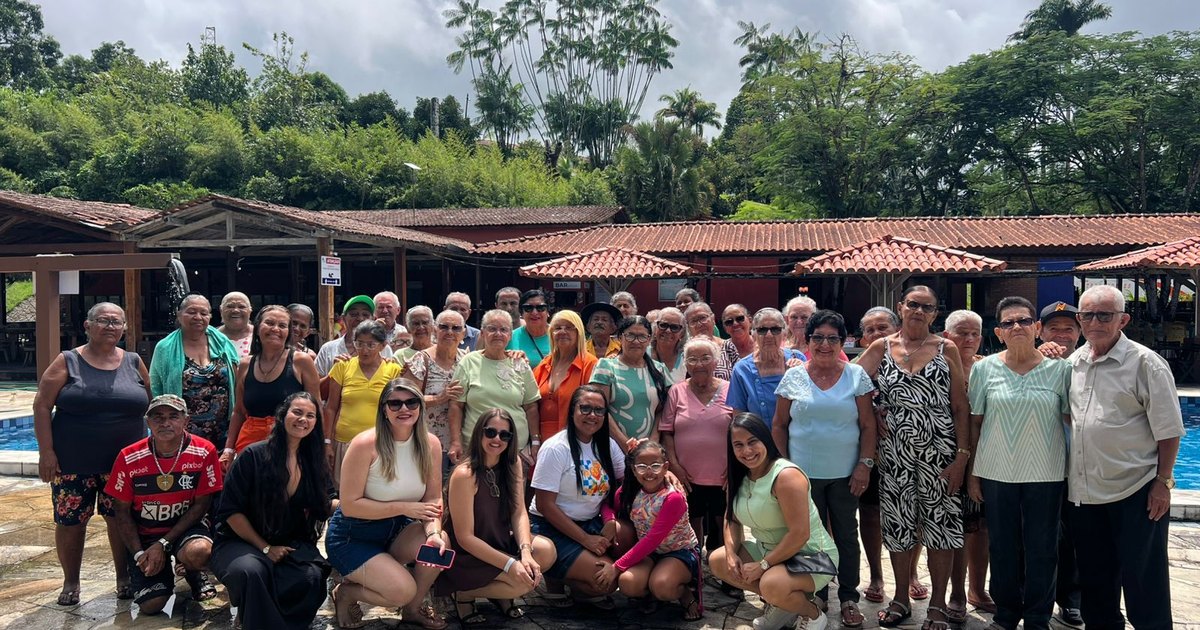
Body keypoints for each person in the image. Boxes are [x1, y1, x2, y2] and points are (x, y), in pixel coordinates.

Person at [1065, 284, 1184, 629]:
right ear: (1080, 319)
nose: (1096, 321)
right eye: (1088, 315)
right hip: (1086, 494)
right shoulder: (1075, 362)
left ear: (1123, 319)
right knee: (1096, 582)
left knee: (1144, 583)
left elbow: (1170, 430)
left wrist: (1163, 482)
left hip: (1136, 490)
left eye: (1105, 315)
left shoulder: (1146, 363)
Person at [855, 286, 971, 628]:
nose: (919, 311)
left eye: (927, 307)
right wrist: (874, 407)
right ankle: (901, 598)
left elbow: (960, 406)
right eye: (913, 305)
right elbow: (851, 382)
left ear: (935, 314)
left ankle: (936, 604)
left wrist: (962, 457)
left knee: (940, 527)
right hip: (894, 454)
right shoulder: (882, 347)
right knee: (898, 526)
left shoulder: (945, 348)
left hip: (940, 453)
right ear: (901, 307)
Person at [34, 302, 151, 605]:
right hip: (73, 461)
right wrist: (46, 452)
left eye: (117, 322)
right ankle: (71, 581)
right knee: (71, 521)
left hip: (124, 464)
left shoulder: (134, 361)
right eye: (103, 320)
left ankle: (124, 577)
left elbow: (150, 405)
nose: (111, 327)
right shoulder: (68, 361)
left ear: (124, 328)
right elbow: (42, 405)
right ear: (87, 326)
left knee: (120, 518)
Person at [965, 297, 1071, 630]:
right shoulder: (985, 369)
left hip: (1047, 472)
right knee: (1003, 546)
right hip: (997, 472)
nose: (1017, 327)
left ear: (1037, 328)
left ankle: (1039, 617)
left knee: (1043, 547)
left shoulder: (1061, 370)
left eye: (1024, 321)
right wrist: (973, 475)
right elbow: (975, 424)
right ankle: (1007, 613)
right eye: (1009, 323)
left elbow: (1071, 420)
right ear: (998, 332)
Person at [772, 309, 876, 628]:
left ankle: (847, 597)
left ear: (842, 341)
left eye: (833, 338)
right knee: (809, 538)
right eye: (818, 337)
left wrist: (864, 465)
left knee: (846, 534)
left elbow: (868, 425)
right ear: (808, 340)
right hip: (802, 477)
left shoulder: (856, 376)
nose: (825, 345)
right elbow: (779, 425)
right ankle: (816, 595)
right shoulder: (794, 376)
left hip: (846, 475)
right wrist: (785, 468)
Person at [325, 379, 450, 629]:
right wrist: (405, 507)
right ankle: (347, 592)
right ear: (384, 409)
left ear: (420, 406)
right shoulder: (364, 444)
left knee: (439, 544)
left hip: (396, 531)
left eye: (411, 402)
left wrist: (433, 532)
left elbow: (433, 498)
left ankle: (412, 610)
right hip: (353, 535)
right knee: (401, 590)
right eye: (395, 403)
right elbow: (349, 505)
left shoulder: (431, 443)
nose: (404, 408)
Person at [210, 392, 336, 630]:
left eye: (310, 416)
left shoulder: (313, 461)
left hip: (289, 540)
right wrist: (265, 548)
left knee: (310, 577)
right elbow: (231, 511)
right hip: (240, 541)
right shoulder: (252, 455)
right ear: (282, 415)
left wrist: (355, 502)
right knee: (251, 571)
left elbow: (327, 502)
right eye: (297, 412)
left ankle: (261, 618)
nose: (303, 420)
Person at [708, 413, 836, 630]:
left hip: (813, 556)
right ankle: (783, 604)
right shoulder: (739, 476)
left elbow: (800, 534)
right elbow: (732, 520)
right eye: (738, 445)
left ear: (765, 439)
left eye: (752, 442)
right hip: (770, 553)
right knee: (718, 560)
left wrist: (763, 566)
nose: (746, 451)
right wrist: (731, 554)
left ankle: (812, 614)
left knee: (771, 584)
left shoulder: (786, 476)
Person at [106, 394, 221, 614]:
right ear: (147, 422)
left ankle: (191, 569)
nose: (165, 423)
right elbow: (121, 512)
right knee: (152, 606)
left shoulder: (205, 451)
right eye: (157, 417)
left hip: (185, 530)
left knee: (200, 551)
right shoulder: (128, 457)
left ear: (186, 421)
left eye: (173, 416)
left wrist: (164, 543)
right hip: (145, 535)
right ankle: (158, 573)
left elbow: (202, 505)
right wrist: (140, 553)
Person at [439, 409, 557, 623]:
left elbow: (519, 511)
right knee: (522, 584)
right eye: (490, 432)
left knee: (546, 551)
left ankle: (497, 592)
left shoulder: (512, 464)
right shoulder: (465, 474)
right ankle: (464, 593)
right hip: (469, 555)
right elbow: (465, 538)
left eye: (505, 435)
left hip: (500, 543)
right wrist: (511, 565)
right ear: (479, 433)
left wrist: (526, 553)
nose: (497, 439)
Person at [529, 385, 627, 607]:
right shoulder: (555, 448)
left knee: (627, 537)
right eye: (585, 408)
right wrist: (585, 541)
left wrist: (611, 518)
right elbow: (545, 505)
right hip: (551, 526)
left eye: (599, 410)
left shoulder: (607, 445)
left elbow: (626, 482)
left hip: (591, 521)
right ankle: (555, 577)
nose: (592, 415)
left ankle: (573, 575)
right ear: (572, 411)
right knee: (605, 583)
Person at [598, 440, 702, 621]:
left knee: (662, 586)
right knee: (628, 584)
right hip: (650, 554)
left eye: (655, 466)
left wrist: (616, 567)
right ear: (632, 468)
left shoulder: (673, 498)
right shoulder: (631, 491)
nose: (649, 472)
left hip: (679, 551)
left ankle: (684, 592)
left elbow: (653, 538)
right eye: (642, 466)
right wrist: (610, 520)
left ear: (665, 467)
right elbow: (607, 506)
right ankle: (650, 594)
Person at [942, 309, 993, 621]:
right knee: (954, 529)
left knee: (981, 528)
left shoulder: (987, 368)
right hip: (947, 460)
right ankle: (957, 592)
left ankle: (978, 588)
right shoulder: (937, 366)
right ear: (948, 335)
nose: (970, 339)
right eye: (963, 332)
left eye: (976, 333)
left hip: (985, 458)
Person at [660, 338, 732, 557]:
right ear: (686, 364)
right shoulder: (676, 391)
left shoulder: (730, 388)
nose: (699, 364)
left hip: (723, 474)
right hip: (687, 474)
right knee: (691, 522)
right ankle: (694, 569)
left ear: (715, 361)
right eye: (692, 359)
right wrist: (674, 466)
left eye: (705, 358)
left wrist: (735, 467)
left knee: (725, 523)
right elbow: (667, 432)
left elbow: (739, 431)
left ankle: (727, 573)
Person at [1036, 300, 1084, 628]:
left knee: (1074, 538)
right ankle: (1030, 596)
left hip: (1080, 466)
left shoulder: (1091, 361)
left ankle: (1071, 600)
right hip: (1039, 465)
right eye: (1055, 327)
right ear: (1040, 331)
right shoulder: (1030, 362)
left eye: (1069, 328)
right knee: (1035, 536)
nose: (1062, 334)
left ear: (1080, 332)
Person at [150, 294, 240, 456]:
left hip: (223, 430)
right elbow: (156, 389)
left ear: (210, 316)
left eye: (204, 313)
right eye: (191, 312)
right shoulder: (164, 348)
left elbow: (238, 380)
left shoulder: (222, 342)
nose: (198, 317)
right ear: (179, 314)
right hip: (183, 431)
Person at [852, 306, 900, 606]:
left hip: (906, 449)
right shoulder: (857, 367)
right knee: (870, 513)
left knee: (909, 513)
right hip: (871, 451)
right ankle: (877, 576)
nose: (875, 334)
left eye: (882, 327)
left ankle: (909, 575)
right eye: (869, 329)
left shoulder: (910, 356)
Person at [449, 309, 542, 465]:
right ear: (483, 333)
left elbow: (531, 406)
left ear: (510, 335)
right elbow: (456, 405)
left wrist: (535, 441)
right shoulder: (469, 361)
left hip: (515, 450)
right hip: (475, 449)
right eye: (492, 329)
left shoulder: (519, 363)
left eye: (503, 329)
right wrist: (455, 441)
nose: (498, 334)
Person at [227, 305, 321, 456]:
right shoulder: (245, 364)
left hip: (291, 445)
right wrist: (228, 449)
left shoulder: (301, 361)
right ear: (257, 328)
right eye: (269, 323)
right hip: (249, 447)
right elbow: (238, 412)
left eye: (282, 325)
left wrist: (319, 447)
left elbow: (316, 408)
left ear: (288, 333)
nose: (275, 329)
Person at [327, 320, 406, 481]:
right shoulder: (342, 366)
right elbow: (330, 407)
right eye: (359, 343)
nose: (364, 350)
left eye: (371, 344)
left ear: (383, 346)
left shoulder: (393, 370)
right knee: (346, 494)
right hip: (345, 441)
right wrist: (327, 442)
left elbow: (400, 409)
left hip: (382, 443)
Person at [403, 309, 468, 479]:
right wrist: (440, 398)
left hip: (461, 443)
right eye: (444, 327)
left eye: (456, 328)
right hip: (426, 441)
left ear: (464, 333)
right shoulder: (421, 360)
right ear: (435, 330)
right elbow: (405, 400)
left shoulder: (468, 360)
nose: (449, 332)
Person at [589, 316, 672, 446]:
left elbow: (663, 410)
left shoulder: (659, 370)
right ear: (620, 338)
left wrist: (653, 441)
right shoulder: (606, 367)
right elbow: (599, 409)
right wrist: (625, 444)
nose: (636, 341)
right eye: (630, 335)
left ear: (649, 339)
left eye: (642, 336)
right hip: (611, 446)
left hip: (647, 450)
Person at [727, 308, 805, 429]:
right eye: (762, 330)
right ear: (753, 334)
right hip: (759, 443)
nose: (769, 335)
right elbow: (739, 417)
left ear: (784, 333)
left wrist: (801, 372)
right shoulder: (742, 369)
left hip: (797, 441)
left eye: (775, 329)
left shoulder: (798, 358)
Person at [532, 310, 597, 443]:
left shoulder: (590, 364)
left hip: (574, 440)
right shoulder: (543, 364)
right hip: (540, 443)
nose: (562, 332)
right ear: (551, 333)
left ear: (579, 332)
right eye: (557, 328)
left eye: (569, 327)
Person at [315, 295, 394, 377]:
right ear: (343, 318)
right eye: (353, 314)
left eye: (365, 315)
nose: (360, 318)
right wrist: (334, 372)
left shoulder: (383, 348)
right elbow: (316, 387)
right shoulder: (328, 349)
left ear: (373, 319)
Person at [508, 289, 551, 365]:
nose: (534, 312)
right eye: (528, 308)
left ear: (548, 311)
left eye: (540, 308)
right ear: (521, 312)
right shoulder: (510, 337)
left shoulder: (559, 335)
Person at [715, 303, 755, 380]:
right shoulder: (718, 352)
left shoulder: (763, 346)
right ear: (725, 328)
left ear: (750, 320)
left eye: (740, 319)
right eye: (729, 322)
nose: (735, 324)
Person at [650, 307, 687, 382]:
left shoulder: (687, 358)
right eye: (663, 325)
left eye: (674, 327)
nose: (668, 331)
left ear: (682, 334)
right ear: (655, 328)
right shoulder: (642, 355)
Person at [218, 291, 254, 359]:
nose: (236, 310)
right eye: (230, 306)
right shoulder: (212, 336)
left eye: (242, 307)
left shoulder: (259, 335)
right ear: (221, 310)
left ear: (250, 311)